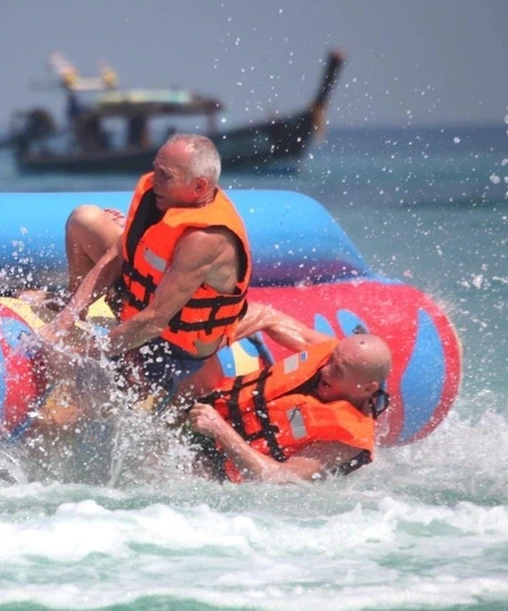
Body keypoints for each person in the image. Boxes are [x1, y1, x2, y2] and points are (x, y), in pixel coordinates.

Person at [40, 133, 251, 413]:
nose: (155, 180)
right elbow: (116, 256)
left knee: (90, 401)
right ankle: (74, 308)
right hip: (139, 301)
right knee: (84, 218)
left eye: (166, 176)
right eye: (156, 169)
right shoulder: (159, 196)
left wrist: (80, 355)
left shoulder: (206, 239)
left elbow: (153, 323)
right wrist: (67, 317)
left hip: (172, 347)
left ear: (199, 187)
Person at [188, 303, 392, 483]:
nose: (324, 370)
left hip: (218, 468)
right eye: (331, 359)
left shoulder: (347, 441)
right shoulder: (336, 355)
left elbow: (280, 479)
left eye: (338, 371)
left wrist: (220, 431)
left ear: (368, 389)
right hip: (208, 409)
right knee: (189, 352)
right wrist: (208, 345)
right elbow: (265, 316)